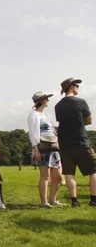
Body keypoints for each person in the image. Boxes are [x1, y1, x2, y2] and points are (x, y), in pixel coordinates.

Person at [55, 77, 96, 207]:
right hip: (80, 141)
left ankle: (75, 201)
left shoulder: (58, 106)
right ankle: (94, 199)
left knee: (69, 172)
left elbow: (61, 121)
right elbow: (89, 120)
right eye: (77, 85)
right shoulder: (81, 102)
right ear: (72, 87)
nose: (78, 88)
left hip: (64, 143)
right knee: (94, 170)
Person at [27, 91, 63, 207]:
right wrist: (36, 150)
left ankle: (53, 200)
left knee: (57, 176)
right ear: (42, 101)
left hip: (53, 147)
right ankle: (44, 202)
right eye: (46, 98)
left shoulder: (46, 115)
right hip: (42, 147)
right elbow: (33, 133)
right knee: (45, 176)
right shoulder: (33, 115)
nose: (48, 100)